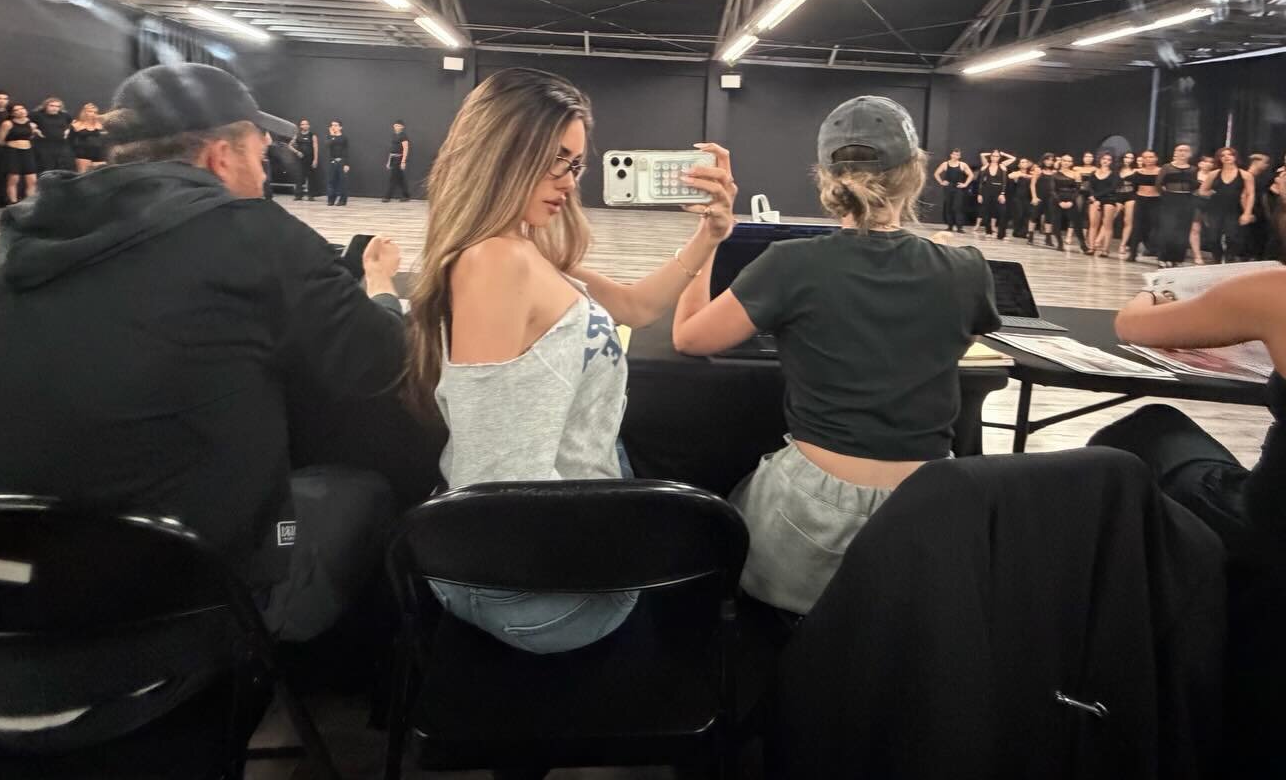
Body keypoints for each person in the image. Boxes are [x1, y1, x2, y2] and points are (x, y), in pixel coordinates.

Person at [0, 64, 408, 745]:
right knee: (364, 494)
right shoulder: (251, 232)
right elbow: (379, 360)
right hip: (126, 660)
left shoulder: (22, 234)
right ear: (221, 156)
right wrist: (381, 288)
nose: (265, 171)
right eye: (261, 154)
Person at [407, 67, 737, 654]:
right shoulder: (496, 263)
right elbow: (493, 489)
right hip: (542, 590)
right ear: (499, 151)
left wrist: (709, 236)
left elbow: (635, 307)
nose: (567, 181)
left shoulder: (519, 248)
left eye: (576, 165)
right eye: (554, 160)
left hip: (545, 552)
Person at [674, 96, 1000, 615]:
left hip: (809, 514)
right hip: (929, 508)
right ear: (914, 174)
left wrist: (708, 239)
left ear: (827, 179)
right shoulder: (966, 269)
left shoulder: (790, 264)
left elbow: (689, 337)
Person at [1089, 166, 1286, 776]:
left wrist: (1159, 291)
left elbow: (1132, 325)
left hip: (1267, 531)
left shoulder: (1272, 293)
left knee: (1147, 431)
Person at [1200, 147, 1255, 263]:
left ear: (1235, 157)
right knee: (1213, 238)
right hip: (1215, 209)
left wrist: (1247, 213)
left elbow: (1250, 194)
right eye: (1223, 155)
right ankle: (1217, 259)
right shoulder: (1214, 174)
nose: (1226, 157)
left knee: (1233, 238)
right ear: (1219, 158)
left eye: (1229, 154)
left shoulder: (1245, 175)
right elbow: (1202, 191)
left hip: (1234, 209)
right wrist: (1211, 192)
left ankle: (1229, 259)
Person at [1156, 144, 1197, 268]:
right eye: (1179, 150)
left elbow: (1194, 186)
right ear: (1175, 152)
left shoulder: (1193, 169)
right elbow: (1158, 184)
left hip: (1187, 199)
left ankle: (1177, 258)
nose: (1182, 153)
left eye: (1185, 150)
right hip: (1170, 198)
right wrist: (1166, 196)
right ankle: (1163, 257)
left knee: (1183, 230)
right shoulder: (1167, 167)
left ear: (1190, 154)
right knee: (1168, 229)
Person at [0, 102, 42, 205]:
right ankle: (13, 202)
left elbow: (30, 137)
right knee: (14, 178)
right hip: (13, 152)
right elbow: (0, 140)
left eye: (22, 108)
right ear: (12, 113)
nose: (21, 111)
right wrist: (11, 145)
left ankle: (30, 203)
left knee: (32, 179)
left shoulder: (31, 124)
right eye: (16, 110)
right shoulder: (7, 124)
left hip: (27, 151)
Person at [1127, 149, 1161, 262]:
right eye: (1145, 157)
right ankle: (1132, 253)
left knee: (1155, 227)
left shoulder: (1161, 171)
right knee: (1137, 227)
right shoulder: (1138, 172)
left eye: (1151, 157)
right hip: (1141, 200)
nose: (1148, 159)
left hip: (1155, 200)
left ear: (1156, 158)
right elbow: (1130, 184)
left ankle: (1156, 250)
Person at [1052, 153, 1089, 253]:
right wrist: (1059, 202)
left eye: (1069, 161)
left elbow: (1077, 190)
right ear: (1061, 161)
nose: (1066, 163)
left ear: (1072, 163)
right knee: (1056, 223)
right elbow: (1052, 190)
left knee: (1077, 223)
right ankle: (1060, 243)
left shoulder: (1076, 174)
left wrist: (1071, 201)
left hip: (1071, 200)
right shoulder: (1054, 174)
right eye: (1065, 160)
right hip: (1057, 200)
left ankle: (1083, 245)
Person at [1086, 151, 1118, 257]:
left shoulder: (1114, 174)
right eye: (1104, 159)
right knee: (1093, 224)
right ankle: (1091, 247)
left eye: (1109, 160)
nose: (1106, 161)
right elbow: (1090, 186)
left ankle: (1105, 249)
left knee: (1107, 225)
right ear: (1100, 159)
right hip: (1095, 199)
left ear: (1112, 162)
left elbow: (1112, 188)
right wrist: (1093, 197)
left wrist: (1097, 197)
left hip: (1109, 199)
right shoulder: (1093, 173)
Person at [31, 97, 75, 175]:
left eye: (57, 106)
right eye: (52, 105)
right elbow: (26, 122)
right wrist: (35, 129)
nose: (55, 108)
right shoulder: (37, 115)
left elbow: (73, 123)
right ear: (45, 106)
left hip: (61, 145)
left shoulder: (64, 115)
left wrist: (68, 130)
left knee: (62, 167)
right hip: (44, 145)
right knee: (45, 168)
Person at [976, 149, 1013, 238]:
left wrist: (1002, 193)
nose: (995, 158)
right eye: (993, 156)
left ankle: (1001, 234)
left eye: (997, 156)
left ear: (999, 157)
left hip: (998, 191)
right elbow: (981, 182)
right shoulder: (985, 166)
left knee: (1002, 212)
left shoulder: (1002, 166)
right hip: (986, 191)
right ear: (990, 156)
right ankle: (988, 232)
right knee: (986, 212)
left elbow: (1004, 181)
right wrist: (979, 194)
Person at [70, 103, 107, 172]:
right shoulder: (76, 124)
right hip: (83, 154)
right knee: (84, 175)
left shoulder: (100, 124)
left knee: (101, 174)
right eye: (90, 111)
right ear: (84, 112)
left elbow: (105, 138)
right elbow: (70, 141)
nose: (92, 114)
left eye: (95, 112)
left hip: (98, 153)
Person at [289, 119, 318, 201]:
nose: (304, 125)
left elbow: (315, 147)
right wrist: (297, 152)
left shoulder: (312, 135)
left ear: (308, 125)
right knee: (299, 177)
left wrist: (315, 159)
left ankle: (311, 195)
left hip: (310, 159)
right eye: (302, 124)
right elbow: (289, 145)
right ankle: (298, 195)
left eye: (306, 124)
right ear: (300, 126)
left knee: (311, 177)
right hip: (300, 160)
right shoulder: (297, 135)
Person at [384, 119, 411, 202]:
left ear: (402, 127)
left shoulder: (403, 136)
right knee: (400, 178)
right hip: (393, 158)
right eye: (396, 125)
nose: (397, 127)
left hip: (399, 159)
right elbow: (392, 150)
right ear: (394, 126)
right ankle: (406, 196)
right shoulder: (394, 135)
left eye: (399, 126)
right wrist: (389, 162)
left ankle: (387, 197)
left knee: (393, 178)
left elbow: (406, 148)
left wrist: (403, 161)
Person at [325, 120, 350, 205]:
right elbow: (327, 145)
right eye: (332, 125)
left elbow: (346, 151)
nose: (333, 127)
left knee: (342, 182)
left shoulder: (344, 137)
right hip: (332, 161)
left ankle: (342, 200)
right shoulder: (329, 136)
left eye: (335, 125)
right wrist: (332, 136)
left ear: (340, 127)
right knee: (331, 181)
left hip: (342, 161)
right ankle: (331, 199)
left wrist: (346, 164)